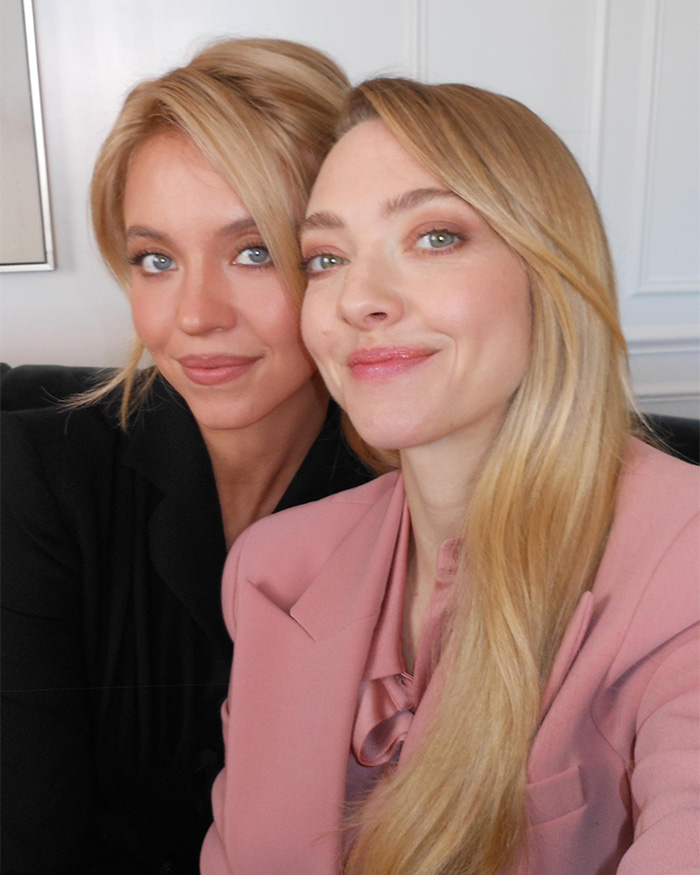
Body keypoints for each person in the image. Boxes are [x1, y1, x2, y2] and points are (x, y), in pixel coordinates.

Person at [201, 77, 700, 874]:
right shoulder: (270, 569)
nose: (359, 298)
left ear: (550, 269)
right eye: (326, 258)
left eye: (435, 237)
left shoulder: (686, 562)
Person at [1, 39, 374, 875]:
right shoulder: (38, 483)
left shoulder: (416, 503)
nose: (195, 314)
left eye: (253, 251)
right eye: (156, 260)